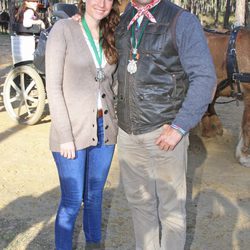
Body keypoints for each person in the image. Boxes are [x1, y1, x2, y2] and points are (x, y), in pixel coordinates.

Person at [115, 0, 216, 249]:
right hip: (128, 133)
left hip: (164, 133)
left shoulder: (181, 20)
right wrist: (79, 18)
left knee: (171, 210)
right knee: (139, 205)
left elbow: (205, 77)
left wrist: (180, 126)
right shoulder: (123, 18)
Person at [45, 0, 120, 249]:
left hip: (105, 129)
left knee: (95, 197)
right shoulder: (63, 30)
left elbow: (113, 86)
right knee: (72, 199)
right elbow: (53, 87)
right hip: (72, 131)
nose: (101, 3)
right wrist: (65, 135)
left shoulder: (111, 34)